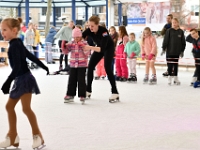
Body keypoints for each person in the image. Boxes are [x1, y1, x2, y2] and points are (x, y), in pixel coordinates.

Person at [0, 17, 49, 150]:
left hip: (24, 79)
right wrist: (43, 66)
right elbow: (30, 56)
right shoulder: (17, 43)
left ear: (14, 30)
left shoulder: (15, 45)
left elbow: (17, 67)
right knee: (10, 107)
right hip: (21, 79)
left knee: (25, 109)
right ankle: (13, 136)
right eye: (1, 30)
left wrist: (7, 82)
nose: (2, 32)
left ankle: (37, 136)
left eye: (5, 30)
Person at [82, 15, 119, 102]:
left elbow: (102, 49)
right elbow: (80, 37)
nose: (90, 28)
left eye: (92, 26)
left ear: (97, 25)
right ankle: (88, 90)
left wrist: (89, 47)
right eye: (89, 26)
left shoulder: (104, 32)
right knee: (90, 67)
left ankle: (115, 92)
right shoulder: (89, 30)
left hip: (108, 48)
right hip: (98, 47)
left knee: (107, 68)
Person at [61, 27, 90, 104]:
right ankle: (70, 94)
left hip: (82, 64)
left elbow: (87, 54)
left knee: (81, 80)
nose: (76, 39)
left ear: (81, 36)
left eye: (78, 37)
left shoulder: (85, 43)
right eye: (75, 37)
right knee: (72, 80)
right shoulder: (71, 43)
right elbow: (66, 52)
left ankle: (82, 95)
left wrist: (83, 47)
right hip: (73, 64)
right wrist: (64, 47)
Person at [162, 18, 186, 85]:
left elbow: (183, 42)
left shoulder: (181, 31)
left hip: (177, 51)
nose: (174, 24)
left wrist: (182, 50)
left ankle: (176, 78)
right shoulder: (169, 31)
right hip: (170, 51)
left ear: (178, 23)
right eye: (173, 23)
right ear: (171, 23)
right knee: (170, 65)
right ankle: (169, 77)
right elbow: (165, 40)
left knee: (175, 65)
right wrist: (164, 48)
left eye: (175, 22)